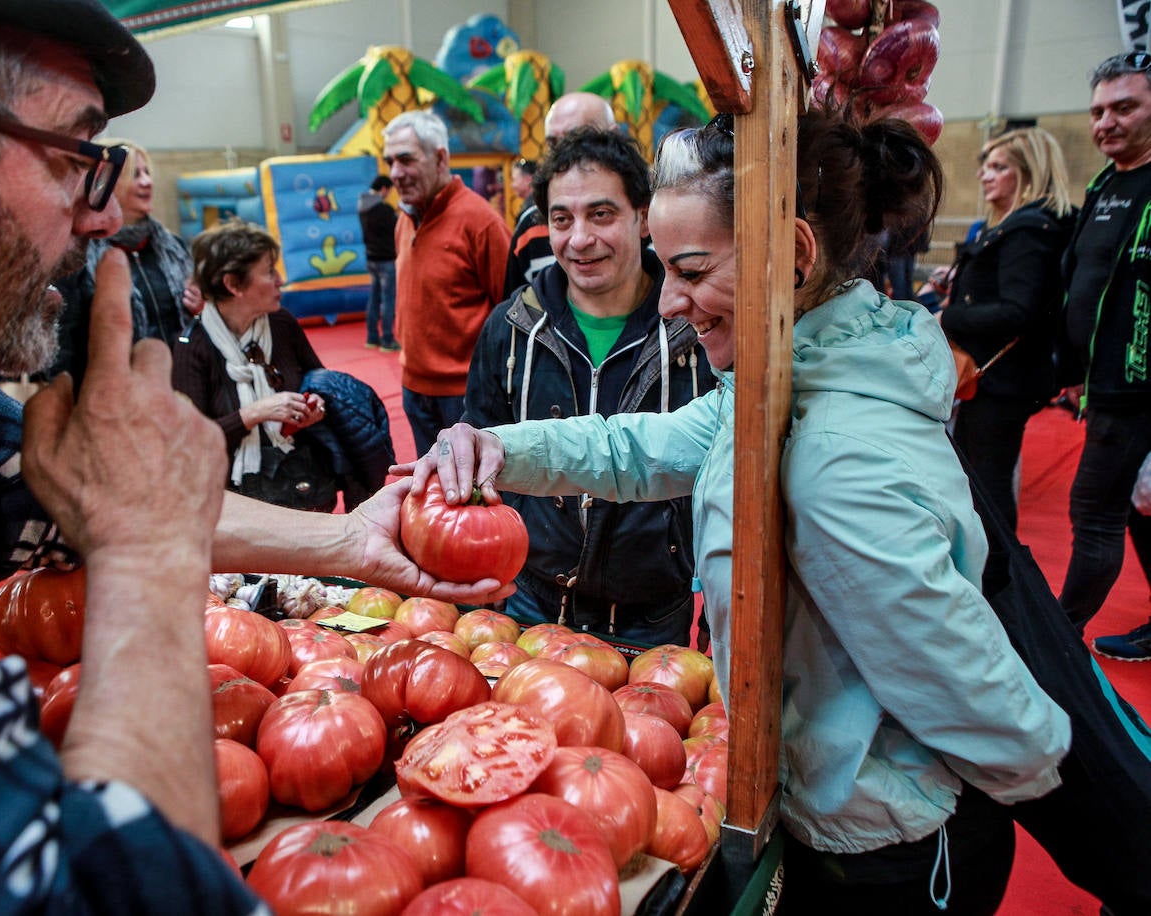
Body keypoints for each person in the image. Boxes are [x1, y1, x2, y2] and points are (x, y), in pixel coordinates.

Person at [0, 3, 509, 911]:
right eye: (72, 160)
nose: (100, 217)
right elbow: (104, 893)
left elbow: (62, 489)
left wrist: (349, 542)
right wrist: (149, 553)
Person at [404, 110, 1071, 914]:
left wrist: (1024, 775)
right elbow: (634, 447)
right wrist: (496, 447)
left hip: (891, 847)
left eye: (690, 270)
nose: (667, 303)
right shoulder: (786, 378)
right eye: (666, 269)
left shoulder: (830, 458)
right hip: (851, 809)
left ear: (794, 254)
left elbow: (965, 686)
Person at [462, 127, 715, 646]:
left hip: (653, 613)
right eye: (562, 219)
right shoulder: (512, 328)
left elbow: (731, 479)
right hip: (531, 601)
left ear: (643, 218)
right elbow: (477, 467)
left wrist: (723, 607)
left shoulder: (698, 329)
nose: (579, 239)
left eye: (601, 214)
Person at [1056, 52, 1151, 647]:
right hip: (1102, 381)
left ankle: (1058, 639)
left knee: (1094, 510)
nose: (1107, 122)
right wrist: (1073, 368)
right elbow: (1082, 279)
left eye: (1124, 107)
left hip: (1134, 387)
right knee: (1134, 509)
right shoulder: (1105, 184)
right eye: (1097, 112)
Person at [938, 127, 1077, 531]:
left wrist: (951, 317)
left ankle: (999, 565)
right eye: (986, 166)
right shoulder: (1020, 227)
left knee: (987, 485)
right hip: (996, 378)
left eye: (998, 167)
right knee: (980, 480)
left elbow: (1018, 311)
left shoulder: (1028, 231)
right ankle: (993, 561)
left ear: (1028, 173)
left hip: (1000, 380)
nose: (984, 175)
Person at [171, 219, 341, 512]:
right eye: (269, 271)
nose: (280, 280)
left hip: (301, 484)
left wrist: (316, 408)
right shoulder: (192, 347)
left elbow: (321, 384)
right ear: (233, 284)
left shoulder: (282, 323)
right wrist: (254, 414)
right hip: (232, 503)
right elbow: (191, 441)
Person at [382, 109, 509, 457]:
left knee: (470, 485)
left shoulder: (481, 221)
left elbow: (511, 311)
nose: (395, 173)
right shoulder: (404, 219)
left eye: (406, 159)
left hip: (464, 395)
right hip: (414, 387)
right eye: (390, 162)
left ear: (440, 158)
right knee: (430, 483)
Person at [51, 137, 197, 383]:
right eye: (135, 174)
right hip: (117, 387)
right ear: (105, 183)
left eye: (147, 172)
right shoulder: (79, 257)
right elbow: (65, 343)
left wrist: (202, 309)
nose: (147, 182)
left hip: (182, 381)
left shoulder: (173, 247)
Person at [503, 92, 619, 297]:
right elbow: (516, 308)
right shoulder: (532, 224)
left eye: (578, 141)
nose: (563, 156)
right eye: (553, 144)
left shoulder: (652, 218)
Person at [357, 174, 400, 351]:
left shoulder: (362, 207)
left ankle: (372, 337)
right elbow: (397, 230)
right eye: (388, 191)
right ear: (383, 189)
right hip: (386, 259)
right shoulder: (384, 210)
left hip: (371, 258)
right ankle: (387, 339)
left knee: (374, 298)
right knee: (388, 300)